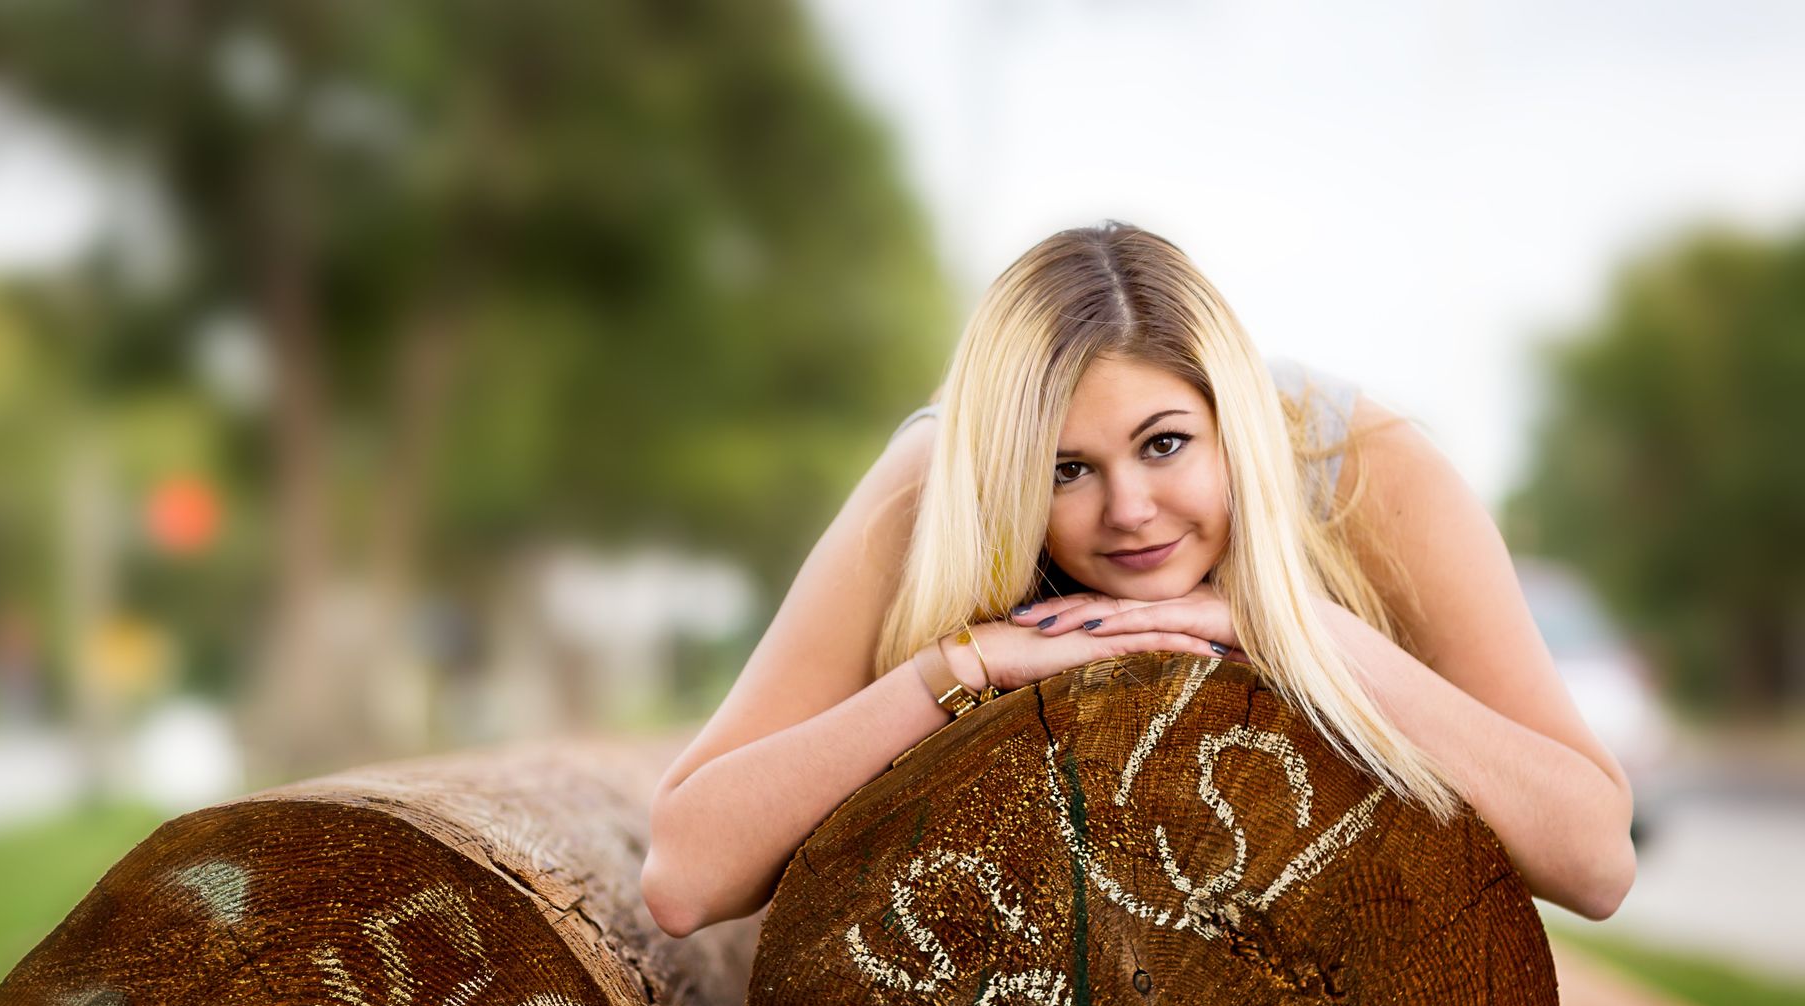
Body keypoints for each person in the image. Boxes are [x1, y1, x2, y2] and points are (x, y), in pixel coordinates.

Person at [641, 220, 1635, 938]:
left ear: (1233, 421)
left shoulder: (1361, 467)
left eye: (1165, 444)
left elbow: (1595, 860)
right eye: (1064, 471)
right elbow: (685, 875)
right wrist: (959, 666)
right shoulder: (933, 487)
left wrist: (1299, 629)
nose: (1127, 509)